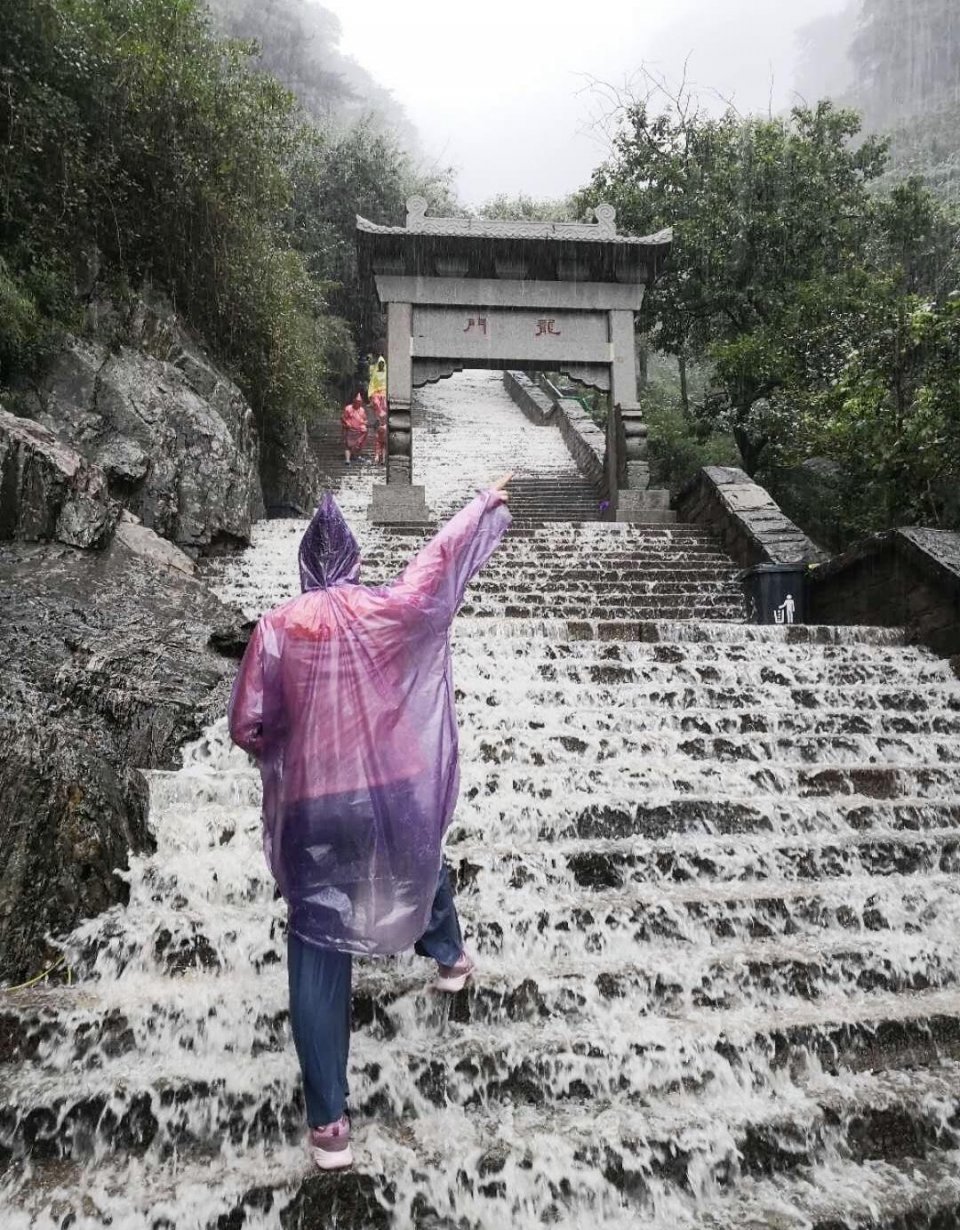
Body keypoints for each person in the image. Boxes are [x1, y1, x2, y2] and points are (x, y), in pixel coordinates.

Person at [227, 475, 513, 1171]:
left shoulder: (277, 625)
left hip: (313, 807)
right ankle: (449, 957)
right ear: (352, 558)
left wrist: (288, 746)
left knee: (316, 941)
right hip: (389, 786)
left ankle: (329, 1125)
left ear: (304, 562)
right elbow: (434, 566)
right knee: (414, 854)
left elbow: (247, 726)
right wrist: (481, 503)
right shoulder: (386, 608)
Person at [341, 393, 368, 464]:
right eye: (357, 402)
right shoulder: (348, 408)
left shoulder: (362, 410)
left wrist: (364, 423)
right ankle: (347, 459)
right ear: (354, 401)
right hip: (350, 429)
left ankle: (356, 455)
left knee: (359, 444)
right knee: (348, 446)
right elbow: (343, 417)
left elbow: (365, 419)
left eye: (360, 403)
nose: (358, 404)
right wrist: (347, 423)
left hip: (359, 430)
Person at [373, 396, 388, 465]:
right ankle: (383, 459)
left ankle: (377, 458)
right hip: (384, 437)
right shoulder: (385, 424)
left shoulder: (378, 422)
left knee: (378, 447)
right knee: (384, 447)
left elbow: (375, 429)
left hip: (379, 437)